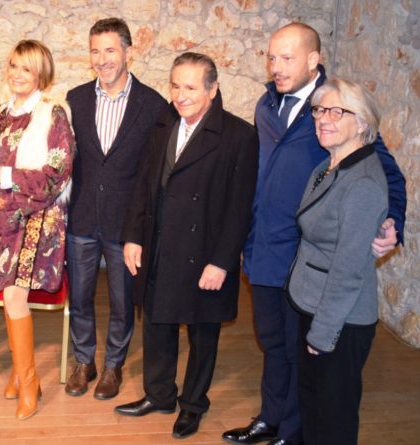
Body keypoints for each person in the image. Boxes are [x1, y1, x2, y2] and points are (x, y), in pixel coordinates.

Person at [223, 22, 407, 445]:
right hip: (265, 249)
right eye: (272, 57)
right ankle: (270, 418)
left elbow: (387, 176)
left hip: (304, 257)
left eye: (287, 58)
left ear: (313, 59)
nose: (276, 66)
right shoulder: (266, 105)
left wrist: (392, 221)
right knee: (272, 343)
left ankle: (292, 431)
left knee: (300, 352)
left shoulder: (338, 110)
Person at [114, 52, 259, 439]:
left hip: (204, 254)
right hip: (159, 243)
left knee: (202, 333)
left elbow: (239, 207)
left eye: (191, 87)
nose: (180, 95)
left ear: (213, 89)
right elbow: (143, 185)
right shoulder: (163, 125)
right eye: (175, 86)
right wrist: (133, 235)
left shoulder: (239, 136)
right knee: (157, 322)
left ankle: (193, 405)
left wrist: (222, 262)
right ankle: (159, 395)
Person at [0, 39, 74, 420]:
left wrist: (4, 174)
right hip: (5, 220)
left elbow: (57, 174)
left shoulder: (53, 115)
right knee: (12, 298)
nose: (17, 74)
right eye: (13, 66)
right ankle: (18, 372)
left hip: (39, 218)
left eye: (26, 68)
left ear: (41, 74)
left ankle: (29, 382)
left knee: (12, 296)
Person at [64, 17, 167, 400]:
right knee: (80, 297)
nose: (102, 59)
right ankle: (84, 361)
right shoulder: (75, 99)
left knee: (123, 302)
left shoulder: (153, 105)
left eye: (110, 50)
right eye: (95, 51)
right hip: (82, 217)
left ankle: (113, 366)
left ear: (127, 52)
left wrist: (141, 226)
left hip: (126, 224)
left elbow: (152, 173)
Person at [288, 78, 388, 445]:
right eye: (319, 111)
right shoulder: (328, 167)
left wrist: (323, 333)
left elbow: (347, 271)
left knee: (333, 420)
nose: (323, 119)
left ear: (361, 122)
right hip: (315, 303)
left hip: (340, 321)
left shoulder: (362, 183)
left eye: (336, 112)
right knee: (314, 408)